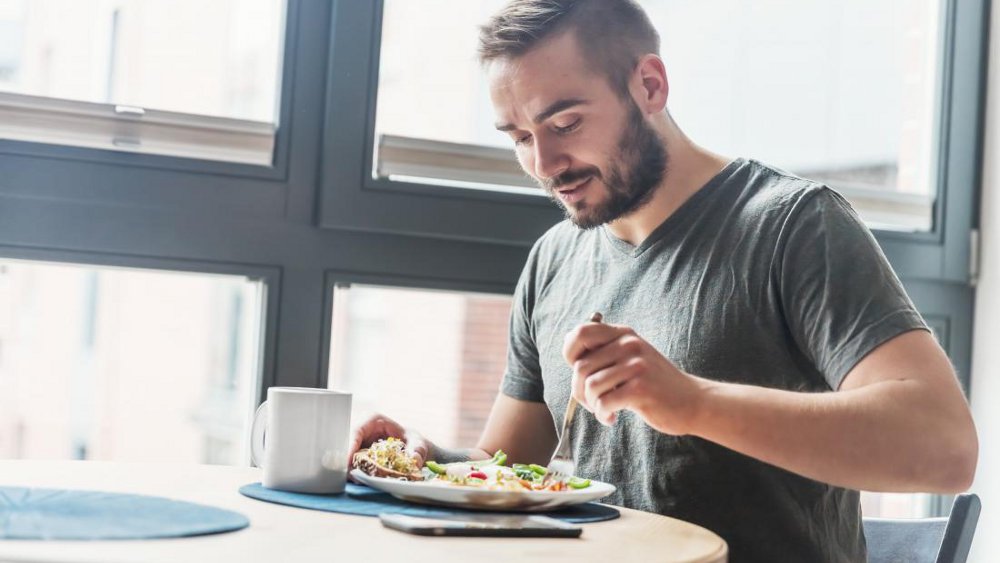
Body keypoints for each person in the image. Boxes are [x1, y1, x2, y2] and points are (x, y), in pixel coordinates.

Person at [347, 1, 979, 560]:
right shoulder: (554, 258)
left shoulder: (794, 225)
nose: (544, 165)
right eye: (519, 137)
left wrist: (693, 403)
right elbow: (512, 466)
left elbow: (944, 447)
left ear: (649, 85)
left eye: (565, 124)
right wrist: (424, 458)